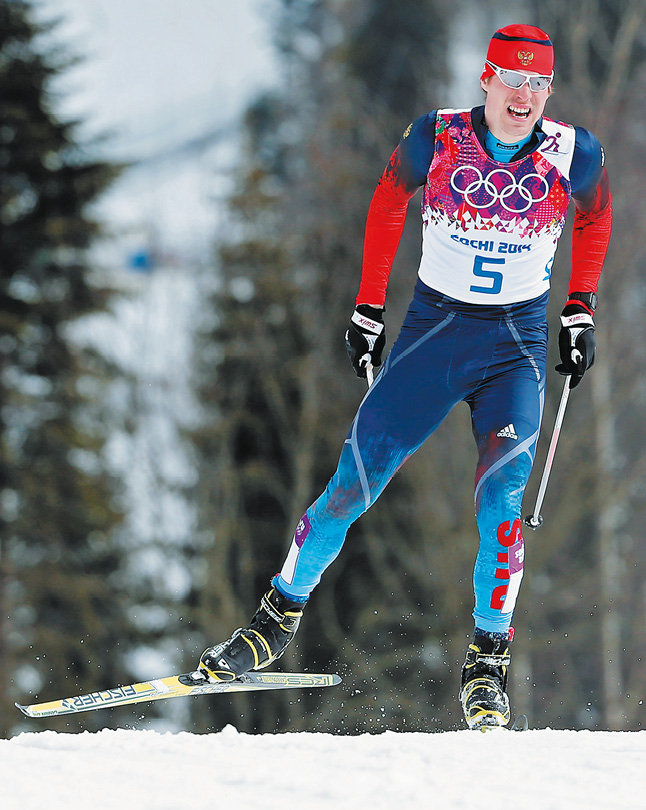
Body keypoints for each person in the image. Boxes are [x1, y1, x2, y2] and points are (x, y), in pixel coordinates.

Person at [197, 23, 612, 729]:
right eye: (512, 80)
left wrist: (579, 307)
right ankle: (275, 619)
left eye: (538, 83)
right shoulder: (438, 136)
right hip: (434, 336)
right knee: (351, 486)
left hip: (515, 345)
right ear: (486, 79)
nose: (524, 96)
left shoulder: (573, 151)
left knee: (503, 508)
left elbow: (596, 217)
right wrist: (367, 304)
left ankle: (486, 664)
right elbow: (389, 202)